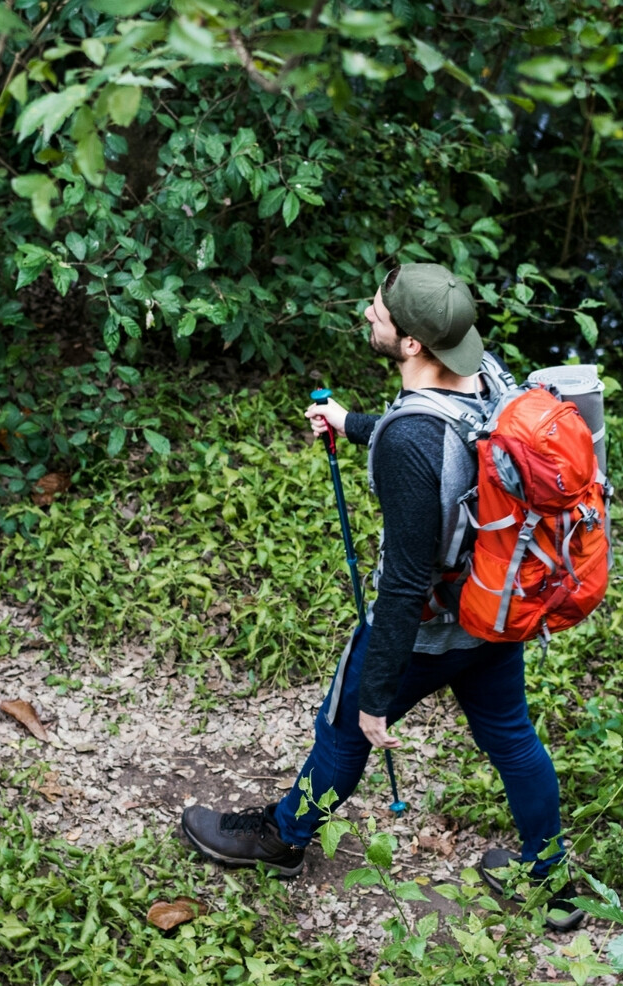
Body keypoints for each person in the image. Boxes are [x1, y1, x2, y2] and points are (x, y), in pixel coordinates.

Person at [180, 263, 581, 930]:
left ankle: (281, 841)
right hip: (498, 611)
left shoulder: (410, 441)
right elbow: (442, 446)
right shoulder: (493, 379)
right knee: (513, 740)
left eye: (379, 311)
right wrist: (353, 422)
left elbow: (404, 579)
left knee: (341, 734)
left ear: (414, 344)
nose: (369, 314)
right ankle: (551, 884)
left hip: (427, 631)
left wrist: (374, 698)